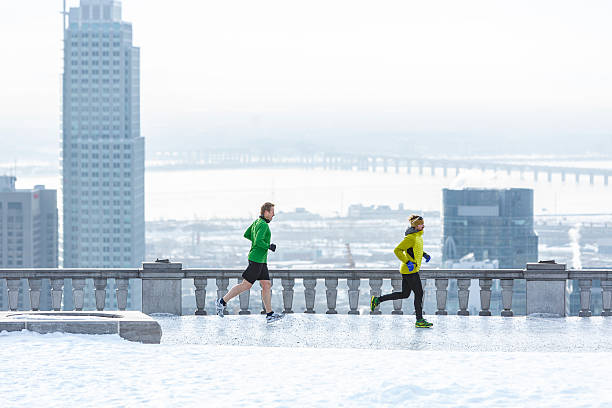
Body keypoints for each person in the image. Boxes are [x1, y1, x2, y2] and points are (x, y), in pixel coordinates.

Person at [215, 202, 284, 322]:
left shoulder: (257, 222)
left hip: (261, 260)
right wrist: (269, 246)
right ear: (266, 212)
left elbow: (247, 234)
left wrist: (257, 244)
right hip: (257, 259)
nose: (274, 215)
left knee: (266, 285)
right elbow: (258, 241)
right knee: (246, 285)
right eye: (272, 212)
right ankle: (222, 302)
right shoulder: (263, 225)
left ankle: (269, 314)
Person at [370, 214, 433, 328]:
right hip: (410, 270)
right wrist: (407, 262)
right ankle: (419, 320)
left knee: (405, 294)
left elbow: (415, 250)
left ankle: (378, 300)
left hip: (411, 270)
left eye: (423, 224)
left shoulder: (418, 237)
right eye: (420, 224)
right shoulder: (410, 238)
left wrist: (425, 254)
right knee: (419, 293)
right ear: (415, 226)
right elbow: (397, 250)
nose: (423, 226)